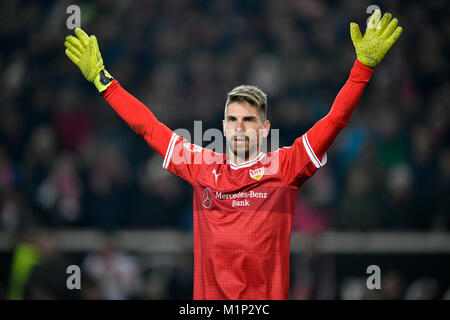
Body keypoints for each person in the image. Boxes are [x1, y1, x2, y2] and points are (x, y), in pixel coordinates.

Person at [64, 9, 402, 299]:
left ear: (265, 129)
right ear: (224, 127)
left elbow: (335, 120)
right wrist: (103, 81)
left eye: (248, 120)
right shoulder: (201, 166)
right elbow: (148, 127)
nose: (239, 127)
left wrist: (363, 68)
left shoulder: (285, 165)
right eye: (232, 119)